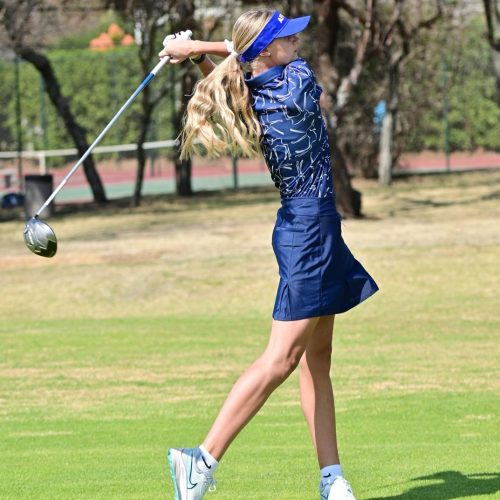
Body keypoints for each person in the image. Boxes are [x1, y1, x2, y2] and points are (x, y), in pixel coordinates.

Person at [159, 8, 379, 500]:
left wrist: (193, 52)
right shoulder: (296, 81)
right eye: (286, 38)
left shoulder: (255, 94)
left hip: (314, 229)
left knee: (317, 359)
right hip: (308, 232)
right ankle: (201, 460)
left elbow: (236, 69)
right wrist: (197, 49)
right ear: (267, 51)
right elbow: (238, 58)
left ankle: (332, 478)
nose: (297, 43)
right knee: (282, 359)